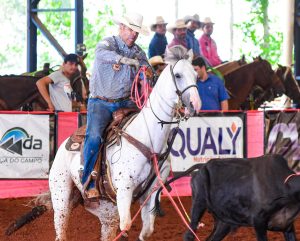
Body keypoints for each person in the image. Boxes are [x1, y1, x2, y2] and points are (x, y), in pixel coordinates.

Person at [82, 12, 149, 199]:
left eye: (136, 31)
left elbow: (147, 70)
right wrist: (124, 60)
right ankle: (88, 180)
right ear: (121, 27)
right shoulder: (108, 43)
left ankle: (142, 178)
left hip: (127, 102)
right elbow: (101, 54)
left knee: (145, 133)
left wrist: (146, 73)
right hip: (100, 102)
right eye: (131, 29)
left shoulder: (139, 52)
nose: (134, 34)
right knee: (94, 136)